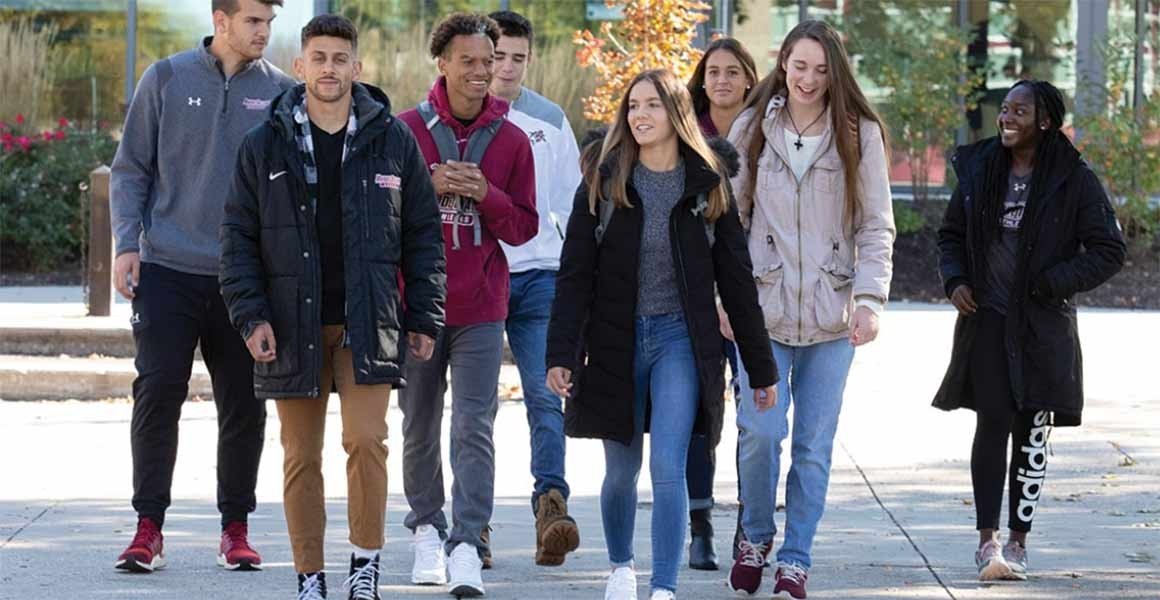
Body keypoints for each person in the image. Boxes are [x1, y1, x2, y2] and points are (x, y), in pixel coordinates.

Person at [219, 14, 446, 600]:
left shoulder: (392, 139)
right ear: (300, 66)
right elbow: (237, 239)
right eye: (317, 57)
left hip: (367, 321)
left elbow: (423, 232)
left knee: (367, 441)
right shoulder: (263, 143)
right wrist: (251, 317)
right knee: (300, 455)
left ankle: (364, 564)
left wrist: (424, 315)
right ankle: (310, 575)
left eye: (339, 58)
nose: (329, 68)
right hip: (290, 324)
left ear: (357, 68)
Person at [546, 68, 778, 600]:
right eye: (633, 106)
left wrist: (759, 369)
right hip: (614, 342)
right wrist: (561, 353)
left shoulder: (706, 188)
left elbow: (738, 285)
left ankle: (663, 587)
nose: (639, 115)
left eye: (651, 105)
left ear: (675, 115)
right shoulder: (604, 183)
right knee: (621, 472)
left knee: (669, 464)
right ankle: (621, 568)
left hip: (680, 341)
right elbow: (574, 275)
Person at [109, 0, 294, 574]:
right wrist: (126, 243)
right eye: (253, 22)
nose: (264, 33)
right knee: (158, 390)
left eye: (269, 22)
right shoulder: (164, 77)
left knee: (244, 404)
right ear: (221, 21)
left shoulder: (284, 92)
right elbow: (132, 167)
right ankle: (148, 528)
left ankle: (235, 529)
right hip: (167, 268)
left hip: (245, 278)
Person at [724, 19, 895, 599]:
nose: (809, 79)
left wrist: (869, 300)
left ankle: (795, 559)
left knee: (813, 447)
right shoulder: (752, 126)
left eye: (821, 70)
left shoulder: (859, 133)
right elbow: (730, 222)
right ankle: (754, 535)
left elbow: (875, 225)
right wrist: (729, 297)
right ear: (783, 63)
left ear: (835, 72)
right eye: (800, 66)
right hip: (762, 314)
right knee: (759, 433)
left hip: (830, 316)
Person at [934, 79, 1126, 582]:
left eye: (1019, 110)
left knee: (1032, 430)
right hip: (989, 322)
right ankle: (986, 541)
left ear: (1044, 121)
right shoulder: (979, 168)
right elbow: (950, 234)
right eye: (1004, 109)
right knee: (992, 421)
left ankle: (1018, 543)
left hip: (1042, 327)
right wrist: (954, 280)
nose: (1007, 117)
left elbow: (1109, 248)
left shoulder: (1073, 177)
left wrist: (1053, 283)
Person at [396, 12, 538, 598]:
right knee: (418, 425)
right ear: (443, 63)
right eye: (470, 61)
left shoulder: (512, 140)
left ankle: (468, 541)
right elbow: (376, 220)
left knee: (474, 426)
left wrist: (488, 193)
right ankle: (427, 528)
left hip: (483, 306)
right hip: (418, 306)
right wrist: (423, 190)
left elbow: (526, 228)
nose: (483, 72)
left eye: (491, 61)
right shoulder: (404, 130)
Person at [486, 9, 584, 568]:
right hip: (480, 277)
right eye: (498, 56)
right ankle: (473, 525)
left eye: (518, 58)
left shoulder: (549, 118)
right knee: (476, 410)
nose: (506, 68)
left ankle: (551, 507)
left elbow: (573, 205)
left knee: (546, 397)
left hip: (540, 277)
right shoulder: (466, 118)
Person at [684, 36, 759, 571]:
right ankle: (700, 526)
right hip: (697, 295)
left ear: (749, 79)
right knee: (700, 415)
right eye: (714, 72)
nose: (723, 81)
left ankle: (747, 526)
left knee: (755, 420)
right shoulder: (685, 134)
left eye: (733, 71)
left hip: (761, 293)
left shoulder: (769, 133)